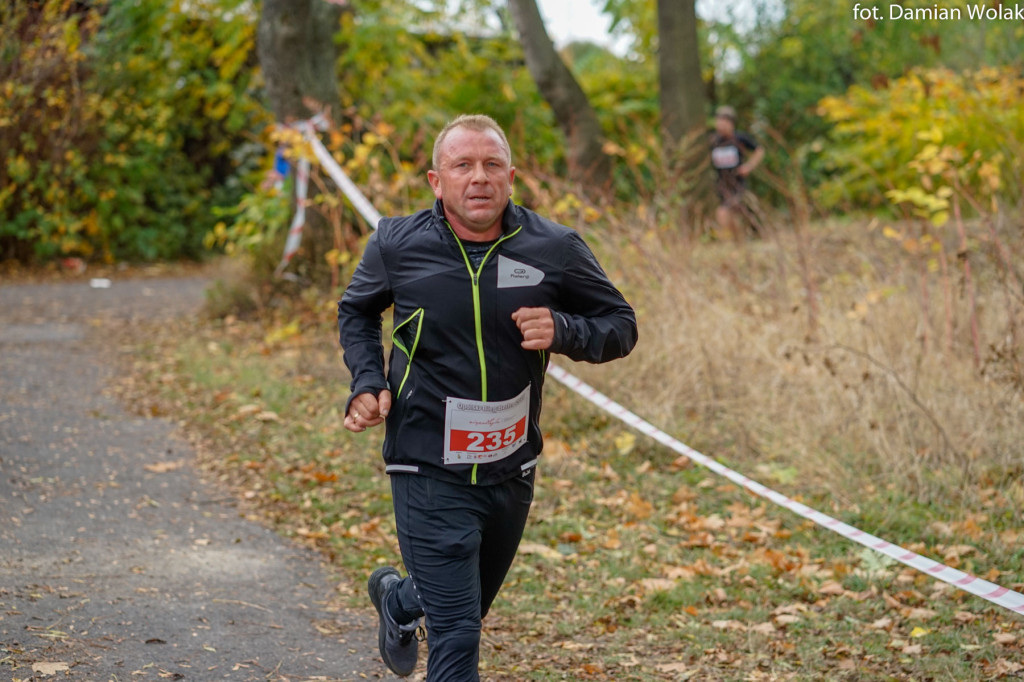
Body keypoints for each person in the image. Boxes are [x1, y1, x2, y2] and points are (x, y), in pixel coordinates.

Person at [337, 114, 638, 680]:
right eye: (463, 165)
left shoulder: (555, 247)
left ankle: (398, 602)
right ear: (436, 180)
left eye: (491, 164)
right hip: (426, 461)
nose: (479, 177)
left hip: (509, 465)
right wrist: (367, 381)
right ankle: (413, 605)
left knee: (466, 606)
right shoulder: (398, 244)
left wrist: (566, 330)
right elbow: (356, 310)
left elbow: (620, 324)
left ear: (511, 175)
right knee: (457, 637)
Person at [710, 105, 764, 240]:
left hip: (738, 183)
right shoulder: (714, 141)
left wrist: (749, 166)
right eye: (718, 121)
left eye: (723, 122)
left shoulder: (740, 138)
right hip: (722, 184)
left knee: (723, 212)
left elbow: (759, 150)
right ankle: (739, 241)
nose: (720, 125)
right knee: (733, 215)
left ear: (730, 123)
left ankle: (728, 240)